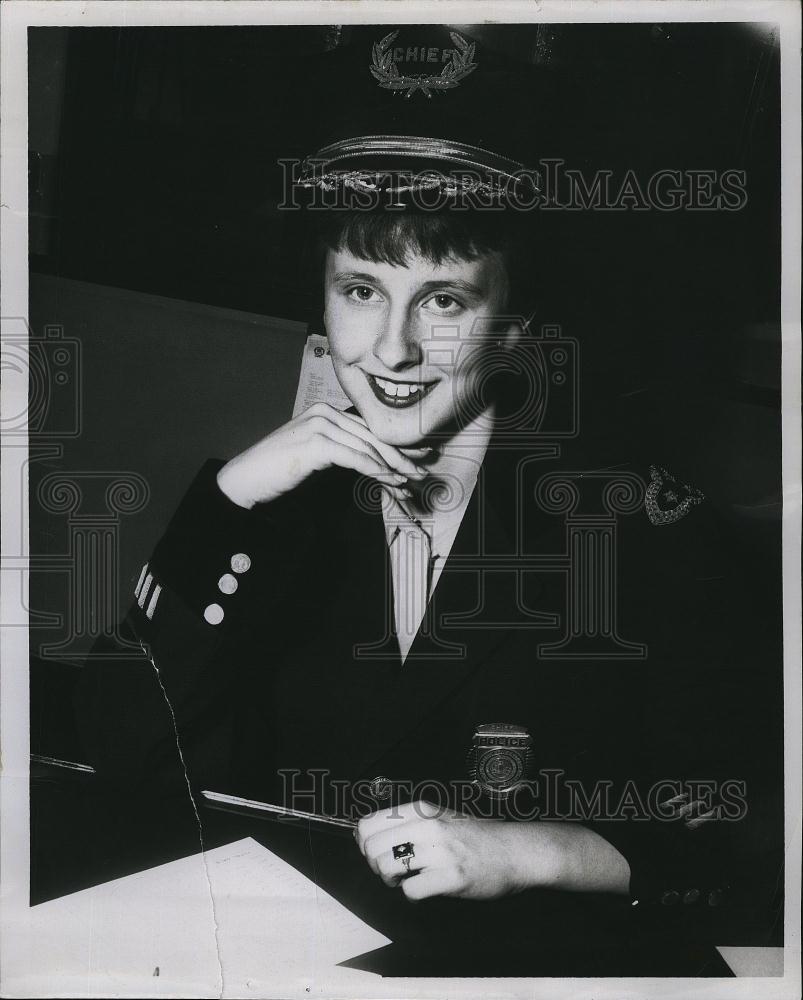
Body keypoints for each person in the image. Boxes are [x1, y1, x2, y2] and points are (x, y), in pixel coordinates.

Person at [75, 25, 769, 974]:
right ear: (321, 305)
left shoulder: (642, 528)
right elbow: (117, 760)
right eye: (361, 289)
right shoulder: (272, 508)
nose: (393, 350)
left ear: (515, 321)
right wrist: (229, 501)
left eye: (444, 300)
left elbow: (747, 829)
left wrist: (529, 852)